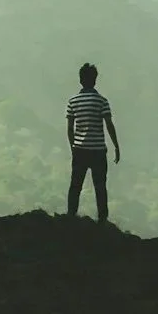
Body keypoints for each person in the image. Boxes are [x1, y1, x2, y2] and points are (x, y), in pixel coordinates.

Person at [65, 61, 120, 222]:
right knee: (100, 186)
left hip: (79, 150)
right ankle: (102, 220)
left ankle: (70, 217)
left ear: (80, 80)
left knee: (75, 186)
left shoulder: (73, 101)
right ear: (95, 80)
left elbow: (70, 128)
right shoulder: (101, 101)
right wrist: (116, 146)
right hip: (98, 150)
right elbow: (109, 124)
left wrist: (73, 147)